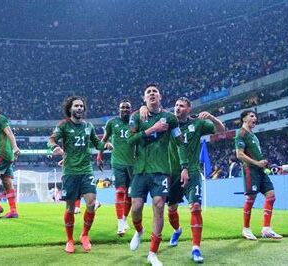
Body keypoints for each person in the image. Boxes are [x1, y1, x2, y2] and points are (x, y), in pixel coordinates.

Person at [128, 84, 189, 266]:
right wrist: (152, 129)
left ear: (160, 97)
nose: (152, 94)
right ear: (144, 99)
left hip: (161, 170)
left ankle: (153, 253)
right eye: (148, 92)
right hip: (140, 170)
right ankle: (139, 231)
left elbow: (180, 142)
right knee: (136, 208)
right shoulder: (136, 116)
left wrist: (185, 167)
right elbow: (130, 141)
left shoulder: (170, 118)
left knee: (159, 205)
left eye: (155, 91)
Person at [48, 96, 112, 254]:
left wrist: (105, 145)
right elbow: (51, 139)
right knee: (70, 208)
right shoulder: (63, 125)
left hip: (86, 171)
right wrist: (54, 147)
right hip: (70, 172)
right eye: (76, 106)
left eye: (81, 106)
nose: (79, 108)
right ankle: (69, 240)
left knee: (91, 204)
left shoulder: (88, 126)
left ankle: (84, 235)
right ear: (70, 108)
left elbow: (97, 144)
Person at [165, 97, 224, 263]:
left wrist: (211, 117)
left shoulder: (198, 124)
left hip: (192, 171)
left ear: (189, 109)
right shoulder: (169, 123)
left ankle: (196, 248)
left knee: (195, 207)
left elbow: (221, 129)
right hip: (172, 173)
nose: (177, 108)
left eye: (181, 106)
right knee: (171, 209)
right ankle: (177, 230)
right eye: (176, 105)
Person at [235, 110, 282, 240]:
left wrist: (263, 163)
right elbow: (239, 154)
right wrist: (257, 162)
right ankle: (246, 229)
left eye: (255, 116)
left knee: (271, 196)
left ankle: (266, 229)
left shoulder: (253, 135)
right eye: (251, 116)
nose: (255, 118)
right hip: (250, 170)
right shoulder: (241, 133)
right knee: (250, 199)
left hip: (261, 170)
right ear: (244, 119)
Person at [97, 100, 135, 236]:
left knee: (130, 194)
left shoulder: (135, 122)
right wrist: (99, 155)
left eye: (127, 107)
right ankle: (120, 223)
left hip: (134, 164)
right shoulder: (112, 123)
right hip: (117, 162)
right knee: (120, 191)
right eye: (122, 107)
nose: (125, 109)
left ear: (131, 110)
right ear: (119, 109)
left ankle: (124, 219)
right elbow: (104, 140)